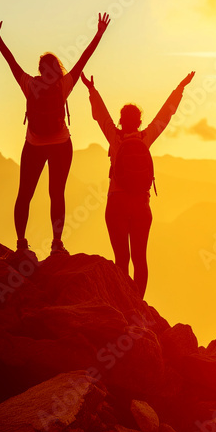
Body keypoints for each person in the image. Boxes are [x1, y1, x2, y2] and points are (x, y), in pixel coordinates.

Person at [0, 13, 111, 257]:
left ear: (41, 69)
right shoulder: (63, 85)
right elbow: (84, 59)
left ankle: (21, 244)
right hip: (61, 145)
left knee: (25, 193)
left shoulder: (29, 85)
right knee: (57, 194)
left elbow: (9, 60)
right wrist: (99, 33)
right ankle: (56, 244)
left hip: (33, 145)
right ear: (56, 69)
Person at [81, 71, 195, 296]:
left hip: (117, 203)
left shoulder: (114, 138)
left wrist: (91, 90)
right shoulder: (146, 137)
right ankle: (137, 305)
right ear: (140, 122)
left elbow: (101, 115)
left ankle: (124, 303)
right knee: (140, 259)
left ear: (121, 121)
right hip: (141, 205)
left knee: (121, 259)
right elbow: (165, 116)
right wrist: (180, 88)